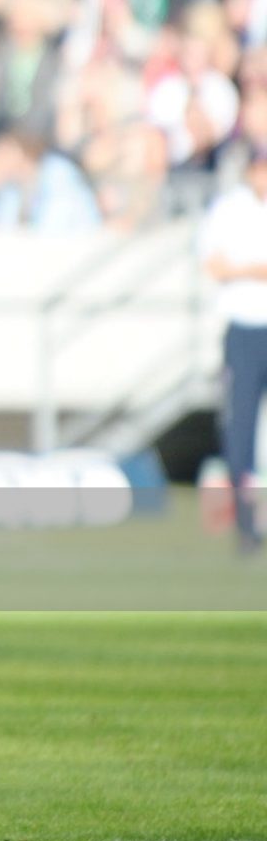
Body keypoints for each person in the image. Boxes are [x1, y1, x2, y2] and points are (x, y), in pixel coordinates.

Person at [199, 142, 267, 555]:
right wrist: (254, 270)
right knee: (240, 429)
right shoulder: (230, 210)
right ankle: (246, 525)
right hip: (243, 329)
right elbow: (214, 265)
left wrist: (244, 269)